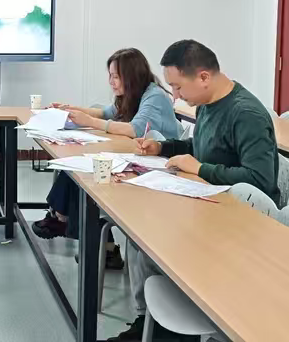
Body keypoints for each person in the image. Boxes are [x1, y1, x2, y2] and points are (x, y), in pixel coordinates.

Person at [101, 40, 279, 342]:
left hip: (244, 223)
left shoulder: (246, 114)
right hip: (209, 202)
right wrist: (163, 147)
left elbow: (259, 180)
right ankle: (150, 322)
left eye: (178, 87)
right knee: (143, 232)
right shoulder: (208, 104)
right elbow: (203, 147)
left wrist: (199, 169)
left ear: (203, 77)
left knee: (161, 239)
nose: (175, 96)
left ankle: (167, 330)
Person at [32, 48, 182, 270]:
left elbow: (135, 128)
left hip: (159, 167)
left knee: (88, 176)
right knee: (79, 167)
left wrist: (89, 121)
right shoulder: (132, 94)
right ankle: (70, 223)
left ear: (131, 76)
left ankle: (63, 218)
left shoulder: (155, 96)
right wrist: (71, 110)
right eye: (110, 75)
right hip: (139, 157)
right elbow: (105, 113)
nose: (111, 82)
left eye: (115, 76)